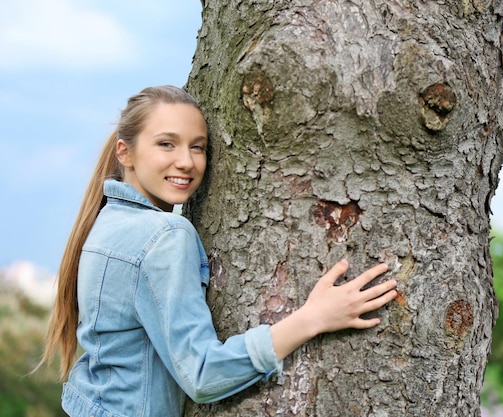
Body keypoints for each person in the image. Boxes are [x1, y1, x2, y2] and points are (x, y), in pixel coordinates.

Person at [39, 85, 398, 417]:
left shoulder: (107, 221)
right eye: (167, 144)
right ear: (125, 151)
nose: (186, 162)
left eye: (198, 147)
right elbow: (202, 375)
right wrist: (314, 318)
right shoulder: (164, 234)